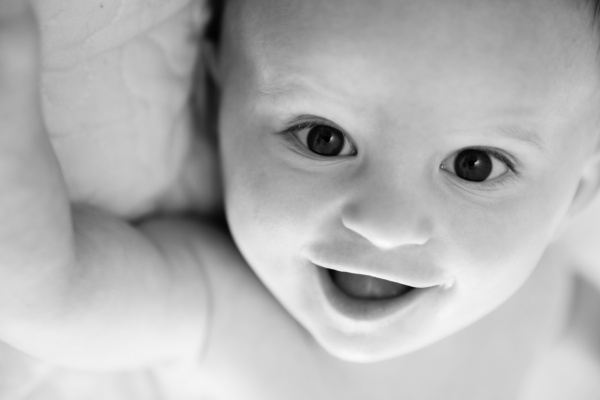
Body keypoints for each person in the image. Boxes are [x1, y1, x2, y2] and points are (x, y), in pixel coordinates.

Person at [1, 0, 600, 398]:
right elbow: (50, 296)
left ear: (574, 191)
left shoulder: (545, 295)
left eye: (475, 165)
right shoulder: (218, 308)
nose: (384, 227)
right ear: (215, 103)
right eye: (324, 139)